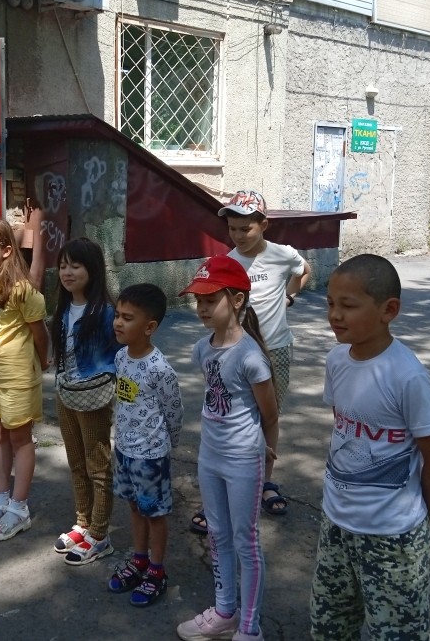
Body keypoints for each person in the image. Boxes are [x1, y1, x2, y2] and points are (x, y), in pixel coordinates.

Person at [310, 254, 430, 640]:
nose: (335, 315)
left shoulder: (407, 377)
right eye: (330, 303)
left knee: (395, 634)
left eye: (348, 305)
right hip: (336, 523)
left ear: (388, 310)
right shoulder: (337, 360)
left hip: (393, 537)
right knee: (329, 626)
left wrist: (420, 519)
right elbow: (345, 427)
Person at [191, 189, 311, 533]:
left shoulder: (282, 254)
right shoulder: (228, 263)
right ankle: (221, 490)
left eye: (246, 228)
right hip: (237, 353)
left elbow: (304, 269)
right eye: (232, 229)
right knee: (232, 417)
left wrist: (289, 295)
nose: (239, 235)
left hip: (276, 349)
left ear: (264, 225)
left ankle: (264, 481)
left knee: (269, 416)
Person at [175, 255, 278, 641]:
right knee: (217, 534)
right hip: (210, 456)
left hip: (243, 460)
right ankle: (224, 612)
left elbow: (270, 415)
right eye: (198, 301)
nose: (201, 308)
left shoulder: (251, 357)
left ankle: (249, 628)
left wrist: (267, 462)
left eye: (210, 300)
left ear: (236, 301)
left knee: (245, 541)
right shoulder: (202, 349)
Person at [0, 218, 50, 542]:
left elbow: (39, 333)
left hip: (18, 376)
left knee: (20, 438)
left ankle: (19, 508)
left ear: (5, 251)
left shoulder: (22, 289)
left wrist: (43, 361)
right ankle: (1, 501)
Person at [107, 283, 183, 607]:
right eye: (117, 315)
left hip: (150, 456)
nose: (118, 322)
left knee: (155, 513)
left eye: (128, 318)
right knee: (134, 507)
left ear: (149, 327)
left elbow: (174, 411)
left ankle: (156, 569)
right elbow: (125, 400)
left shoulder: (159, 369)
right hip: (124, 450)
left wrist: (167, 444)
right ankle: (139, 559)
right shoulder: (120, 357)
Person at [50, 238, 122, 565]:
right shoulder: (64, 307)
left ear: (92, 270)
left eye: (75, 266)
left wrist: (116, 388)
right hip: (66, 392)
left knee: (98, 466)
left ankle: (99, 534)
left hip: (94, 397)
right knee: (76, 461)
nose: (67, 272)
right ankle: (83, 523)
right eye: (63, 265)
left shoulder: (106, 312)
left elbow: (120, 354)